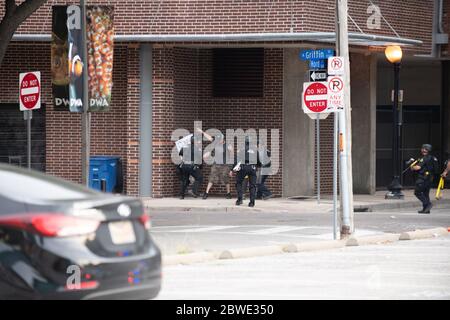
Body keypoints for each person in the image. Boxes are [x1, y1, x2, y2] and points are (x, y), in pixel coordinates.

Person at [198, 129, 234, 200]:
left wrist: (231, 169)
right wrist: (202, 132)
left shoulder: (228, 146)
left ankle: (228, 193)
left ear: (223, 139)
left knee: (226, 179)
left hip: (225, 165)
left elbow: (232, 157)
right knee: (211, 178)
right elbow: (209, 138)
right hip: (216, 164)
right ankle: (206, 193)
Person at [230, 136, 259, 207]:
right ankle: (252, 203)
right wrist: (256, 167)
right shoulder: (255, 150)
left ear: (245, 142)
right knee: (252, 186)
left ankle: (240, 200)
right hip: (252, 168)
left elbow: (236, 160)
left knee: (238, 183)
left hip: (243, 167)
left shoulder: (242, 149)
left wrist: (232, 169)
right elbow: (259, 161)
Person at [411, 144, 435, 214]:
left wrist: (412, 167)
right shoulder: (433, 158)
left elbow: (418, 167)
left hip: (423, 178)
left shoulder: (424, 158)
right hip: (430, 178)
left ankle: (428, 204)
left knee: (417, 192)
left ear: (428, 150)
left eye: (425, 149)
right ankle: (426, 210)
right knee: (425, 194)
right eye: (423, 148)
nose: (423, 150)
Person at [178, 135, 203, 199]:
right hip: (191, 166)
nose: (198, 142)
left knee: (185, 180)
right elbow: (199, 159)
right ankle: (193, 191)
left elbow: (180, 154)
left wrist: (183, 160)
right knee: (199, 177)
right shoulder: (197, 149)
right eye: (197, 141)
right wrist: (198, 166)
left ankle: (182, 195)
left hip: (184, 165)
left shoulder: (185, 147)